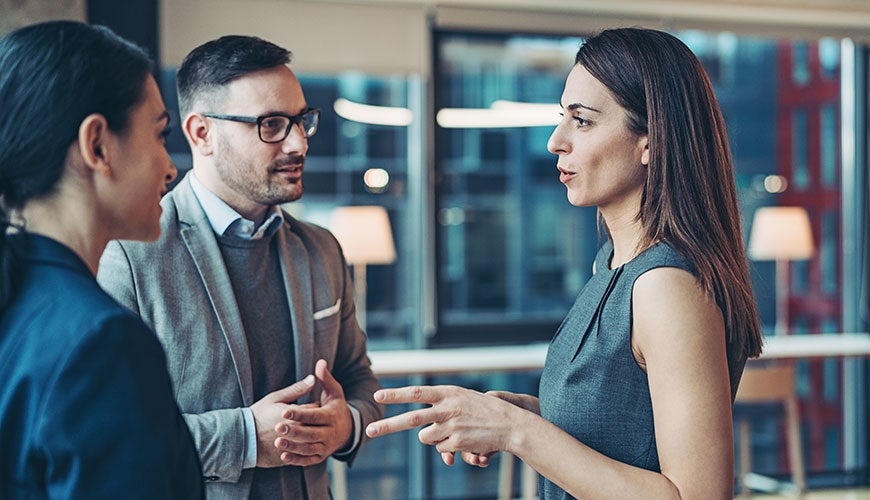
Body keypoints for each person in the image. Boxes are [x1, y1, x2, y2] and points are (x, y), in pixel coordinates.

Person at [365, 27, 763, 499]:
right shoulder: (611, 265)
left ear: (650, 141)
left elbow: (698, 495)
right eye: (563, 117)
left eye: (583, 121)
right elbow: (625, 429)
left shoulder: (665, 287)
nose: (556, 141)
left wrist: (517, 430)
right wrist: (527, 413)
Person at [97, 34, 383, 499]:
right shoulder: (128, 254)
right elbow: (109, 438)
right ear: (201, 134)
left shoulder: (322, 249)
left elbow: (361, 381)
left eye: (301, 121)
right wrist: (245, 438)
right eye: (271, 124)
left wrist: (346, 425)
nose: (297, 144)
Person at [0, 21, 205, 498]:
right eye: (159, 135)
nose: (172, 166)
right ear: (97, 145)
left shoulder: (20, 304)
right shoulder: (101, 342)